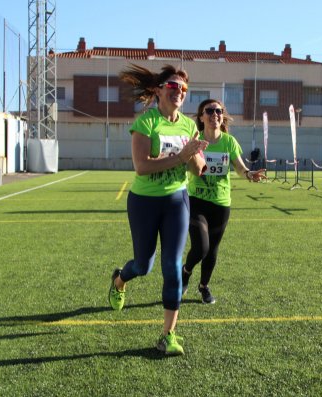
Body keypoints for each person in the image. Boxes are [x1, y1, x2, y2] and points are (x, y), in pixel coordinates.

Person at [109, 64, 208, 356]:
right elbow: (142, 166)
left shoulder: (189, 126)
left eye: (184, 89)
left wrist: (193, 156)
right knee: (143, 265)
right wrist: (180, 157)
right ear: (158, 91)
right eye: (173, 87)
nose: (179, 92)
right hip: (144, 202)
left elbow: (199, 167)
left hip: (177, 200)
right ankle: (119, 280)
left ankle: (168, 335)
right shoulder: (146, 123)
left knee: (172, 267)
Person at [182, 99, 266, 304]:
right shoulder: (195, 139)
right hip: (197, 200)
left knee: (212, 250)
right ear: (201, 117)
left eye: (218, 111)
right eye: (209, 111)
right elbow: (182, 163)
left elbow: (239, 168)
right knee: (201, 247)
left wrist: (249, 174)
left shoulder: (229, 142)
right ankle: (185, 272)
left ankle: (204, 286)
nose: (214, 114)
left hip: (221, 204)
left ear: (222, 116)